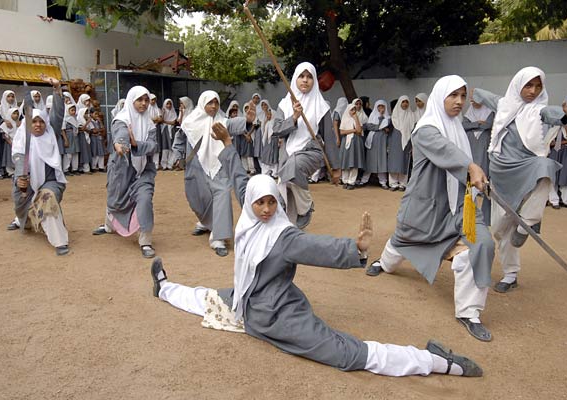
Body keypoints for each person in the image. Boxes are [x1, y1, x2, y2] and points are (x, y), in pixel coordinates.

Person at [151, 127, 483, 377]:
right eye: (260, 202)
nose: (266, 209)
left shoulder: (282, 236)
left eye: (272, 201)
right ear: (251, 203)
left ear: (278, 202)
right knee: (205, 299)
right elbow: (240, 178)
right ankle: (164, 287)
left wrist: (354, 248)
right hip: (247, 303)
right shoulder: (249, 216)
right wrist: (226, 145)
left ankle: (437, 361)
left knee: (344, 353)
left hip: (280, 316)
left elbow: (314, 248)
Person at [366, 75, 495, 342]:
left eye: (463, 96)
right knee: (402, 239)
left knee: (481, 245)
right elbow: (443, 150)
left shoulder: (458, 128)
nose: (459, 102)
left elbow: (459, 158)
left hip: (460, 208)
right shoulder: (425, 128)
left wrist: (478, 180)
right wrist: (470, 168)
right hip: (424, 209)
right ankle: (385, 264)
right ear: (439, 97)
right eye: (453, 96)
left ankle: (469, 312)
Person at [472, 66, 567, 294]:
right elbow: (480, 94)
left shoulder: (538, 111)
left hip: (526, 167)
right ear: (518, 85)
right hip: (501, 173)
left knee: (545, 166)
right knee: (501, 231)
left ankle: (528, 223)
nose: (533, 91)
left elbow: (552, 114)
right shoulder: (503, 104)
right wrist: (467, 92)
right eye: (528, 85)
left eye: (538, 86)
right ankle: (511, 274)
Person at [174, 90, 254, 257]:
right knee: (197, 198)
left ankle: (219, 237)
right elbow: (180, 139)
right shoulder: (189, 122)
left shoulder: (221, 121)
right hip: (195, 168)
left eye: (216, 103)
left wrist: (246, 120)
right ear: (203, 103)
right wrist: (177, 155)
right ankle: (206, 222)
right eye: (210, 102)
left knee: (223, 193)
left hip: (218, 166)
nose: (213, 106)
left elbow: (231, 124)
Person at [92, 86, 159, 258]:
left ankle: (145, 241)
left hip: (144, 171)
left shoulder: (150, 124)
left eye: (146, 100)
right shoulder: (121, 119)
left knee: (144, 200)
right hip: (122, 168)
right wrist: (120, 145)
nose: (144, 104)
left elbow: (153, 146)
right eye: (140, 100)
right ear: (131, 101)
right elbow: (120, 134)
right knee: (115, 199)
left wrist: (135, 144)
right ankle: (109, 226)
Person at [8, 77, 69, 255]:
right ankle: (23, 220)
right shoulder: (21, 138)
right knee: (22, 210)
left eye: (41, 121)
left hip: (50, 183)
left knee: (47, 198)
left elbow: (57, 114)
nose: (38, 125)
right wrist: (20, 179)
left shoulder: (51, 133)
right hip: (25, 185)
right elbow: (19, 159)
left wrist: (57, 88)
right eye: (34, 121)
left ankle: (60, 241)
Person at [272, 62, 332, 228]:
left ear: (314, 81)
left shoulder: (322, 106)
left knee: (294, 167)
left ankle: (306, 207)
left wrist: (336, 167)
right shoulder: (284, 105)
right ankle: (291, 232)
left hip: (311, 151)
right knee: (285, 195)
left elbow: (329, 137)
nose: (305, 80)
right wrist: (294, 117)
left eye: (309, 77)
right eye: (301, 76)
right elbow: (276, 130)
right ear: (295, 80)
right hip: (287, 154)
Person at [462, 95, 495, 225]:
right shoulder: (468, 113)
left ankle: (481, 189)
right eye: (472, 101)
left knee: (483, 164)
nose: (474, 103)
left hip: (483, 142)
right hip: (471, 142)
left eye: (476, 101)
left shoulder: (489, 112)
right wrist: (477, 124)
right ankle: (473, 192)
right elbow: (464, 126)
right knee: (471, 165)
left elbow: (489, 125)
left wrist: (474, 126)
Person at [359, 100, 391, 189]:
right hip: (372, 141)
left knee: (382, 160)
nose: (381, 108)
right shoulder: (372, 116)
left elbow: (387, 127)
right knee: (370, 160)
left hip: (383, 141)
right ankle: (364, 180)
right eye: (379, 106)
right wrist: (381, 128)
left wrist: (381, 118)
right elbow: (369, 126)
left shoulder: (388, 118)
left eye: (382, 106)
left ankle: (383, 182)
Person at [389, 95, 416, 191]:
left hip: (407, 141)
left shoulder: (412, 115)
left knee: (404, 161)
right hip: (395, 141)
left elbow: (413, 129)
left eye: (406, 102)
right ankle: (393, 183)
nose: (405, 104)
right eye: (403, 102)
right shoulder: (394, 116)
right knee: (394, 161)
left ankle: (403, 184)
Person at [339, 99, 366, 189]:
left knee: (354, 161)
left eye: (354, 109)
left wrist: (355, 118)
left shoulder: (357, 118)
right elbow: (342, 132)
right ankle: (345, 180)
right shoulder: (344, 118)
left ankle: (351, 182)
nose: (353, 111)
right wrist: (353, 130)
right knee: (346, 161)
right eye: (351, 110)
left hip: (356, 142)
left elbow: (359, 130)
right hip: (346, 142)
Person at [169, 96, 194, 171]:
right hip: (182, 131)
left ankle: (187, 165)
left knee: (188, 149)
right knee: (177, 147)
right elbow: (179, 122)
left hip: (189, 132)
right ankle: (180, 163)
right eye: (180, 103)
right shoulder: (182, 111)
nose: (181, 105)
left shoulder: (192, 112)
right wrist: (182, 113)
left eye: (182, 103)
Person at [259, 100, 279, 178]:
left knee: (274, 158)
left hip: (274, 141)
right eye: (268, 114)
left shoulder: (275, 122)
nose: (268, 116)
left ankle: (275, 173)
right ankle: (265, 172)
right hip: (267, 142)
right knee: (266, 157)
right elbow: (264, 131)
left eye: (270, 114)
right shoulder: (267, 122)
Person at [0, 106, 20, 177]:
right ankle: (10, 172)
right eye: (14, 113)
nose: (16, 115)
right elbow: (4, 135)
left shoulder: (19, 123)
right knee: (8, 156)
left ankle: (17, 171)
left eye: (17, 114)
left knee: (17, 157)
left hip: (18, 144)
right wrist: (10, 142)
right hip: (9, 143)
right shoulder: (5, 124)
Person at [159, 99, 177, 171]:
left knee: (171, 147)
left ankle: (170, 164)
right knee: (165, 147)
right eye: (167, 104)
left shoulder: (173, 112)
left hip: (171, 130)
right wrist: (162, 113)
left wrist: (165, 122)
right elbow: (161, 120)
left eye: (170, 104)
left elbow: (173, 122)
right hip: (164, 130)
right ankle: (164, 165)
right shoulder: (163, 112)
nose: (169, 106)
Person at [89, 108, 106, 172]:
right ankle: (93, 167)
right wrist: (99, 130)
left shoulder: (98, 121)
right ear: (91, 114)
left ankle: (101, 167)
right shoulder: (90, 121)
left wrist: (100, 122)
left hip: (99, 138)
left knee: (101, 152)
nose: (96, 115)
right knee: (95, 152)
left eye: (97, 114)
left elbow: (103, 129)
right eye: (95, 114)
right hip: (94, 139)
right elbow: (94, 131)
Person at [76, 107, 92, 174]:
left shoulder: (85, 121)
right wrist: (87, 123)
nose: (86, 115)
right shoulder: (79, 120)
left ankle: (86, 168)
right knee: (83, 152)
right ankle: (84, 169)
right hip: (81, 138)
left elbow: (89, 131)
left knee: (86, 152)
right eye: (85, 113)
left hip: (86, 137)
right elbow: (82, 129)